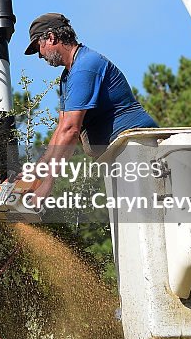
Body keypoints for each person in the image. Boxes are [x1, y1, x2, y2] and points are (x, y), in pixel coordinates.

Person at [20, 12, 157, 203]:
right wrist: (37, 170)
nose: (39, 56)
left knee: (145, 218)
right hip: (120, 152)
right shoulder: (68, 76)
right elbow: (62, 129)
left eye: (38, 47)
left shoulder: (85, 67)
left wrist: (47, 185)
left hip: (137, 147)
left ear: (51, 37)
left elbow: (70, 131)